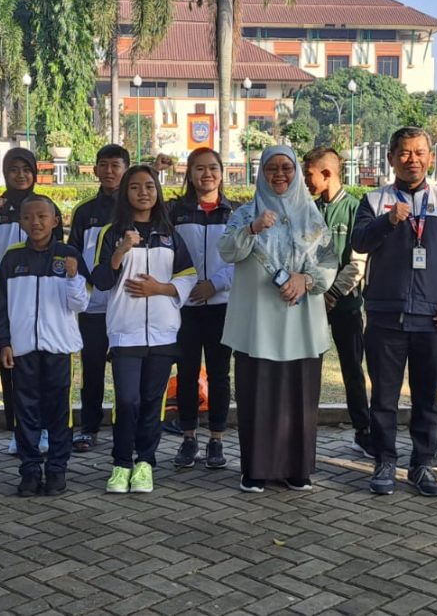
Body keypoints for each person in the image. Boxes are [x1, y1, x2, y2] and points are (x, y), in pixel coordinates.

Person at [351, 127, 437, 497]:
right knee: (383, 398)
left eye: (420, 152)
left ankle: (422, 465)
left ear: (430, 158)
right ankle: (385, 461)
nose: (412, 160)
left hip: (434, 319)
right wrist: (387, 221)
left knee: (427, 400)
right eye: (404, 153)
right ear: (391, 158)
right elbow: (359, 241)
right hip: (385, 316)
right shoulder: (374, 200)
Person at [219, 145, 337, 493]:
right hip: (258, 320)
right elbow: (227, 251)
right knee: (257, 393)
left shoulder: (312, 216)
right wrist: (253, 228)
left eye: (287, 167)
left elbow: (330, 261)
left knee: (300, 395)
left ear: (297, 172)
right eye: (272, 168)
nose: (280, 174)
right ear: (261, 173)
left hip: (300, 317)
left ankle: (297, 468)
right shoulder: (245, 213)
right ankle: (256, 469)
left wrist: (306, 280)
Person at [92, 165, 197, 493]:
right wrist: (121, 251)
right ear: (125, 192)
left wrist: (160, 289)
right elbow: (100, 280)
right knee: (127, 401)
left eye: (149, 186)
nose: (143, 192)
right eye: (135, 187)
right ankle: (121, 463)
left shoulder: (169, 234)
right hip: (125, 332)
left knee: (152, 401)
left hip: (163, 333)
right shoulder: (111, 233)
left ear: (157, 191)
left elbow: (188, 275)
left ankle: (145, 463)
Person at [0, 195, 89, 496]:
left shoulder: (68, 255)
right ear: (21, 222)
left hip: (58, 347)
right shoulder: (12, 257)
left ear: (55, 220)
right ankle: (30, 469)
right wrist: (4, 342)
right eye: (28, 217)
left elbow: (81, 303)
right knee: (25, 412)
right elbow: (1, 304)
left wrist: (72, 276)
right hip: (22, 349)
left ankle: (57, 469)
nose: (35, 222)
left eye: (42, 216)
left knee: (58, 411)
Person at [0, 148, 63, 456]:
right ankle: (18, 431)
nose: (20, 175)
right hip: (7, 300)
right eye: (13, 169)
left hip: (42, 298)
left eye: (26, 169)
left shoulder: (45, 207)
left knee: (43, 369)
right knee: (12, 370)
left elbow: (59, 253)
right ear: (4, 173)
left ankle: (44, 428)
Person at [303, 147, 372, 457]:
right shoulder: (309, 210)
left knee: (352, 369)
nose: (305, 181)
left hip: (345, 306)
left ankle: (363, 431)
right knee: (307, 368)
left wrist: (333, 294)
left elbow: (358, 262)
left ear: (327, 173)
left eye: (309, 175)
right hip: (311, 305)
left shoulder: (356, 209)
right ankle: (302, 429)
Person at [168, 148, 234, 469]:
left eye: (213, 168)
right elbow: (166, 255)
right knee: (187, 373)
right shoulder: (174, 213)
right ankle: (188, 437)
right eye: (199, 169)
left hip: (222, 306)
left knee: (220, 375)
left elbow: (244, 258)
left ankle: (216, 440)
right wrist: (186, 287)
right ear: (189, 174)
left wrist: (216, 284)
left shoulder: (235, 214)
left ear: (222, 173)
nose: (207, 174)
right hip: (186, 307)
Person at [69, 144, 130, 452]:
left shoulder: (134, 209)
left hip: (127, 304)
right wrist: (90, 282)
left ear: (126, 170)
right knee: (92, 369)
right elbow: (74, 253)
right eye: (103, 165)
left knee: (125, 371)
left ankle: (125, 429)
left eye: (115, 165)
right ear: (94, 170)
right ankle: (89, 429)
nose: (109, 171)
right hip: (93, 305)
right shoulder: (84, 211)